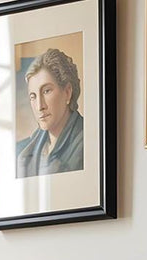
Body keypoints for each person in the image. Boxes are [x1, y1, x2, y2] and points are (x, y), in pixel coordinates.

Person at [16, 48, 84, 177]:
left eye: (46, 91)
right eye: (33, 96)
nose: (40, 106)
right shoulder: (23, 151)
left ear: (67, 92)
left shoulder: (88, 142)